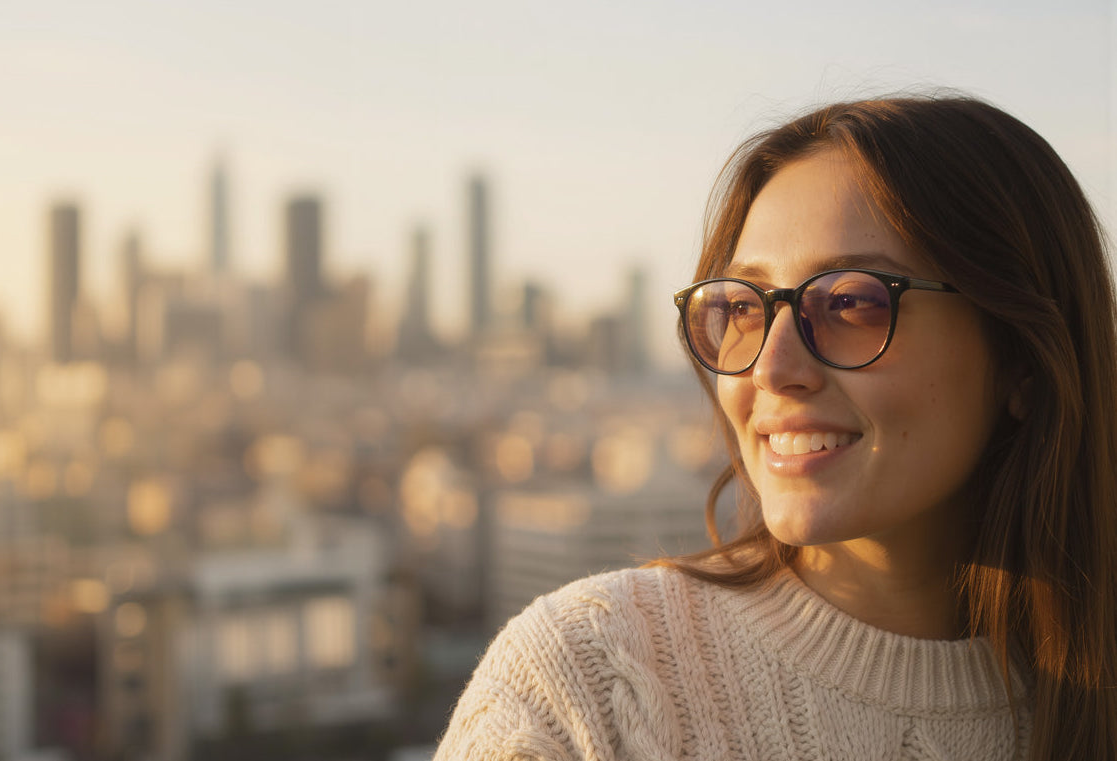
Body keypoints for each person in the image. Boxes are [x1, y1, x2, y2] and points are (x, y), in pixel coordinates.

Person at [433, 95, 1117, 760]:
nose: (771, 367)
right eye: (744, 307)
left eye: (851, 302)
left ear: (1022, 360)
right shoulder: (584, 689)